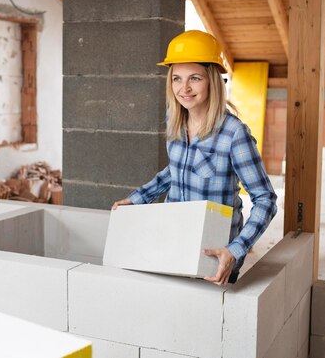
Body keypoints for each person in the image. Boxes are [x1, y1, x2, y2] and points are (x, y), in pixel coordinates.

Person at [112, 30, 277, 286]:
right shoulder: (175, 119)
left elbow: (265, 199)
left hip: (214, 253)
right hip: (176, 238)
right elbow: (175, 171)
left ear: (212, 80)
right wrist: (137, 199)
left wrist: (235, 250)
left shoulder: (234, 134)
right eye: (177, 78)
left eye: (194, 78)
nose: (184, 88)